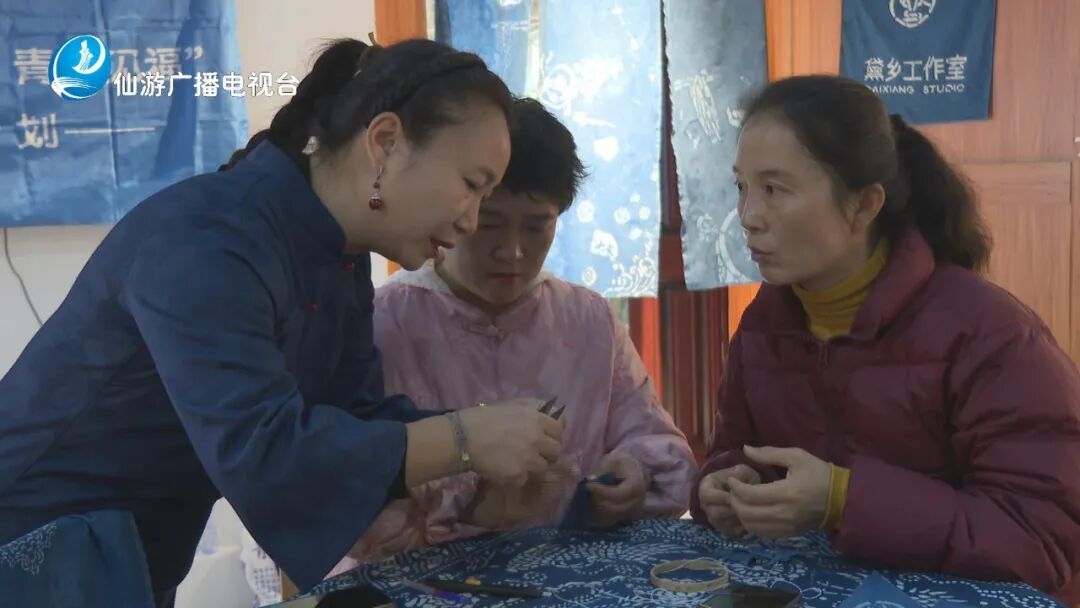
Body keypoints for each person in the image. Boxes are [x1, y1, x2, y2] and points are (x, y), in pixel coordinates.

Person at [0, 38, 569, 606]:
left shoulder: (339, 255)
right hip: (36, 547)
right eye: (472, 186)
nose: (470, 222)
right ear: (386, 143)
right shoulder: (207, 239)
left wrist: (489, 447)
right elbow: (265, 452)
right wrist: (464, 440)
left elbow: (355, 416)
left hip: (132, 554)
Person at [690, 74, 1080, 601]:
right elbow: (734, 452)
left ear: (864, 204)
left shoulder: (992, 334)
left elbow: (1043, 537)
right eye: (742, 187)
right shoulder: (764, 325)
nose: (747, 217)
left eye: (775, 190)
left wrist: (843, 500)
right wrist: (723, 487)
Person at [327, 97, 697, 573]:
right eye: (491, 224)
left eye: (537, 226)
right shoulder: (383, 325)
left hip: (563, 579)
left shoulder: (588, 320)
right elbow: (342, 503)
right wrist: (468, 507)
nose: (513, 252)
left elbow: (660, 449)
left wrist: (633, 473)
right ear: (455, 211)